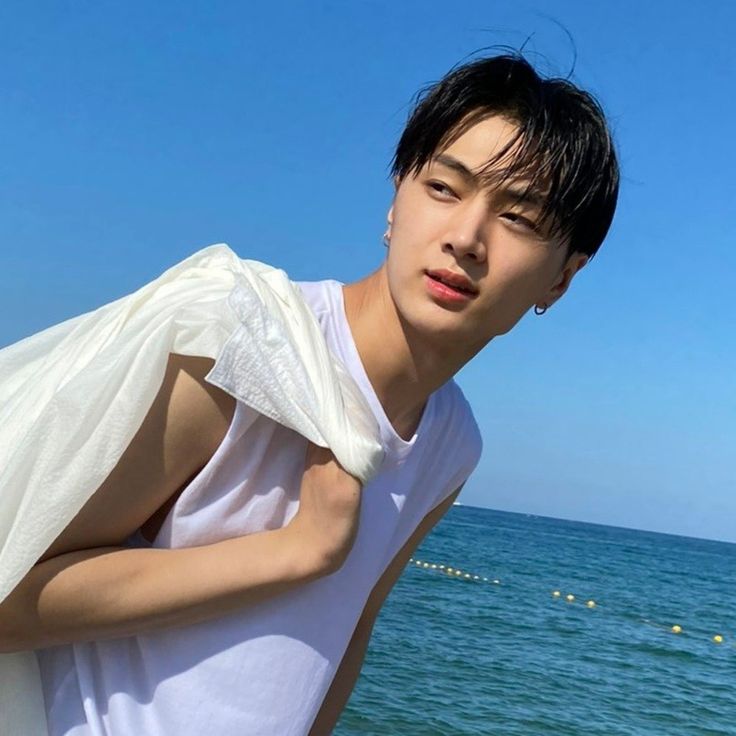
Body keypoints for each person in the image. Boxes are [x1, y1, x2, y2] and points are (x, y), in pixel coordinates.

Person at [0, 52, 619, 735]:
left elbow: (347, 637)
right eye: (444, 188)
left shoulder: (451, 441)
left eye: (519, 219)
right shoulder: (240, 344)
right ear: (396, 200)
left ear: (561, 279)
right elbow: (11, 599)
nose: (465, 238)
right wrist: (296, 552)